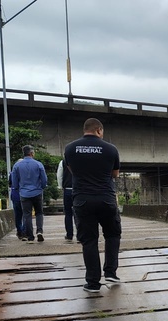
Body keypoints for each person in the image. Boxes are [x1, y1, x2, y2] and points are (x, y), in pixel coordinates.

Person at [64, 118, 122, 293]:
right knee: (113, 234)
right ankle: (111, 272)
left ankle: (93, 283)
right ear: (99, 130)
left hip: (82, 199)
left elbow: (72, 170)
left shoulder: (70, 148)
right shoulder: (111, 149)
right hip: (106, 198)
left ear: (85, 130)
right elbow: (115, 174)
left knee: (89, 241)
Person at [11, 145, 47, 242]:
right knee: (39, 212)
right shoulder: (38, 164)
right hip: (37, 192)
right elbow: (44, 180)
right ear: (31, 153)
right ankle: (39, 231)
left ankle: (30, 236)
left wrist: (19, 188)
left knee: (27, 215)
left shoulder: (17, 165)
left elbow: (14, 182)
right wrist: (42, 187)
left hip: (24, 193)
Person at [57, 158, 75, 241]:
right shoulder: (81, 160)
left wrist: (61, 186)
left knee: (68, 213)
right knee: (79, 213)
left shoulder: (63, 162)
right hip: (78, 189)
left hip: (67, 189)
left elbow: (59, 175)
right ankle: (80, 235)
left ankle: (69, 235)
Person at [9, 159, 25, 239]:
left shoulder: (12, 173)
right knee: (26, 214)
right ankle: (25, 231)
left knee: (18, 215)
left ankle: (20, 231)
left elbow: (10, 184)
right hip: (25, 195)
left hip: (15, 195)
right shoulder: (25, 173)